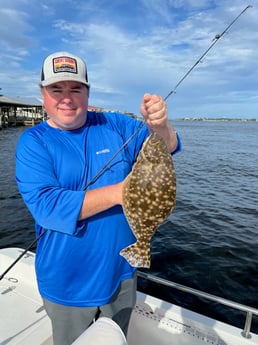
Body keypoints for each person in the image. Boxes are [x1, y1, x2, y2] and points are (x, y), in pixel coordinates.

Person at [15, 51, 181, 345]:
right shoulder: (34, 142)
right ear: (43, 95)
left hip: (122, 272)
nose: (67, 98)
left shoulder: (116, 125)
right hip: (67, 283)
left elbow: (165, 146)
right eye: (57, 89)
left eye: (75, 88)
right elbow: (47, 206)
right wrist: (122, 192)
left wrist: (161, 124)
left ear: (87, 92)